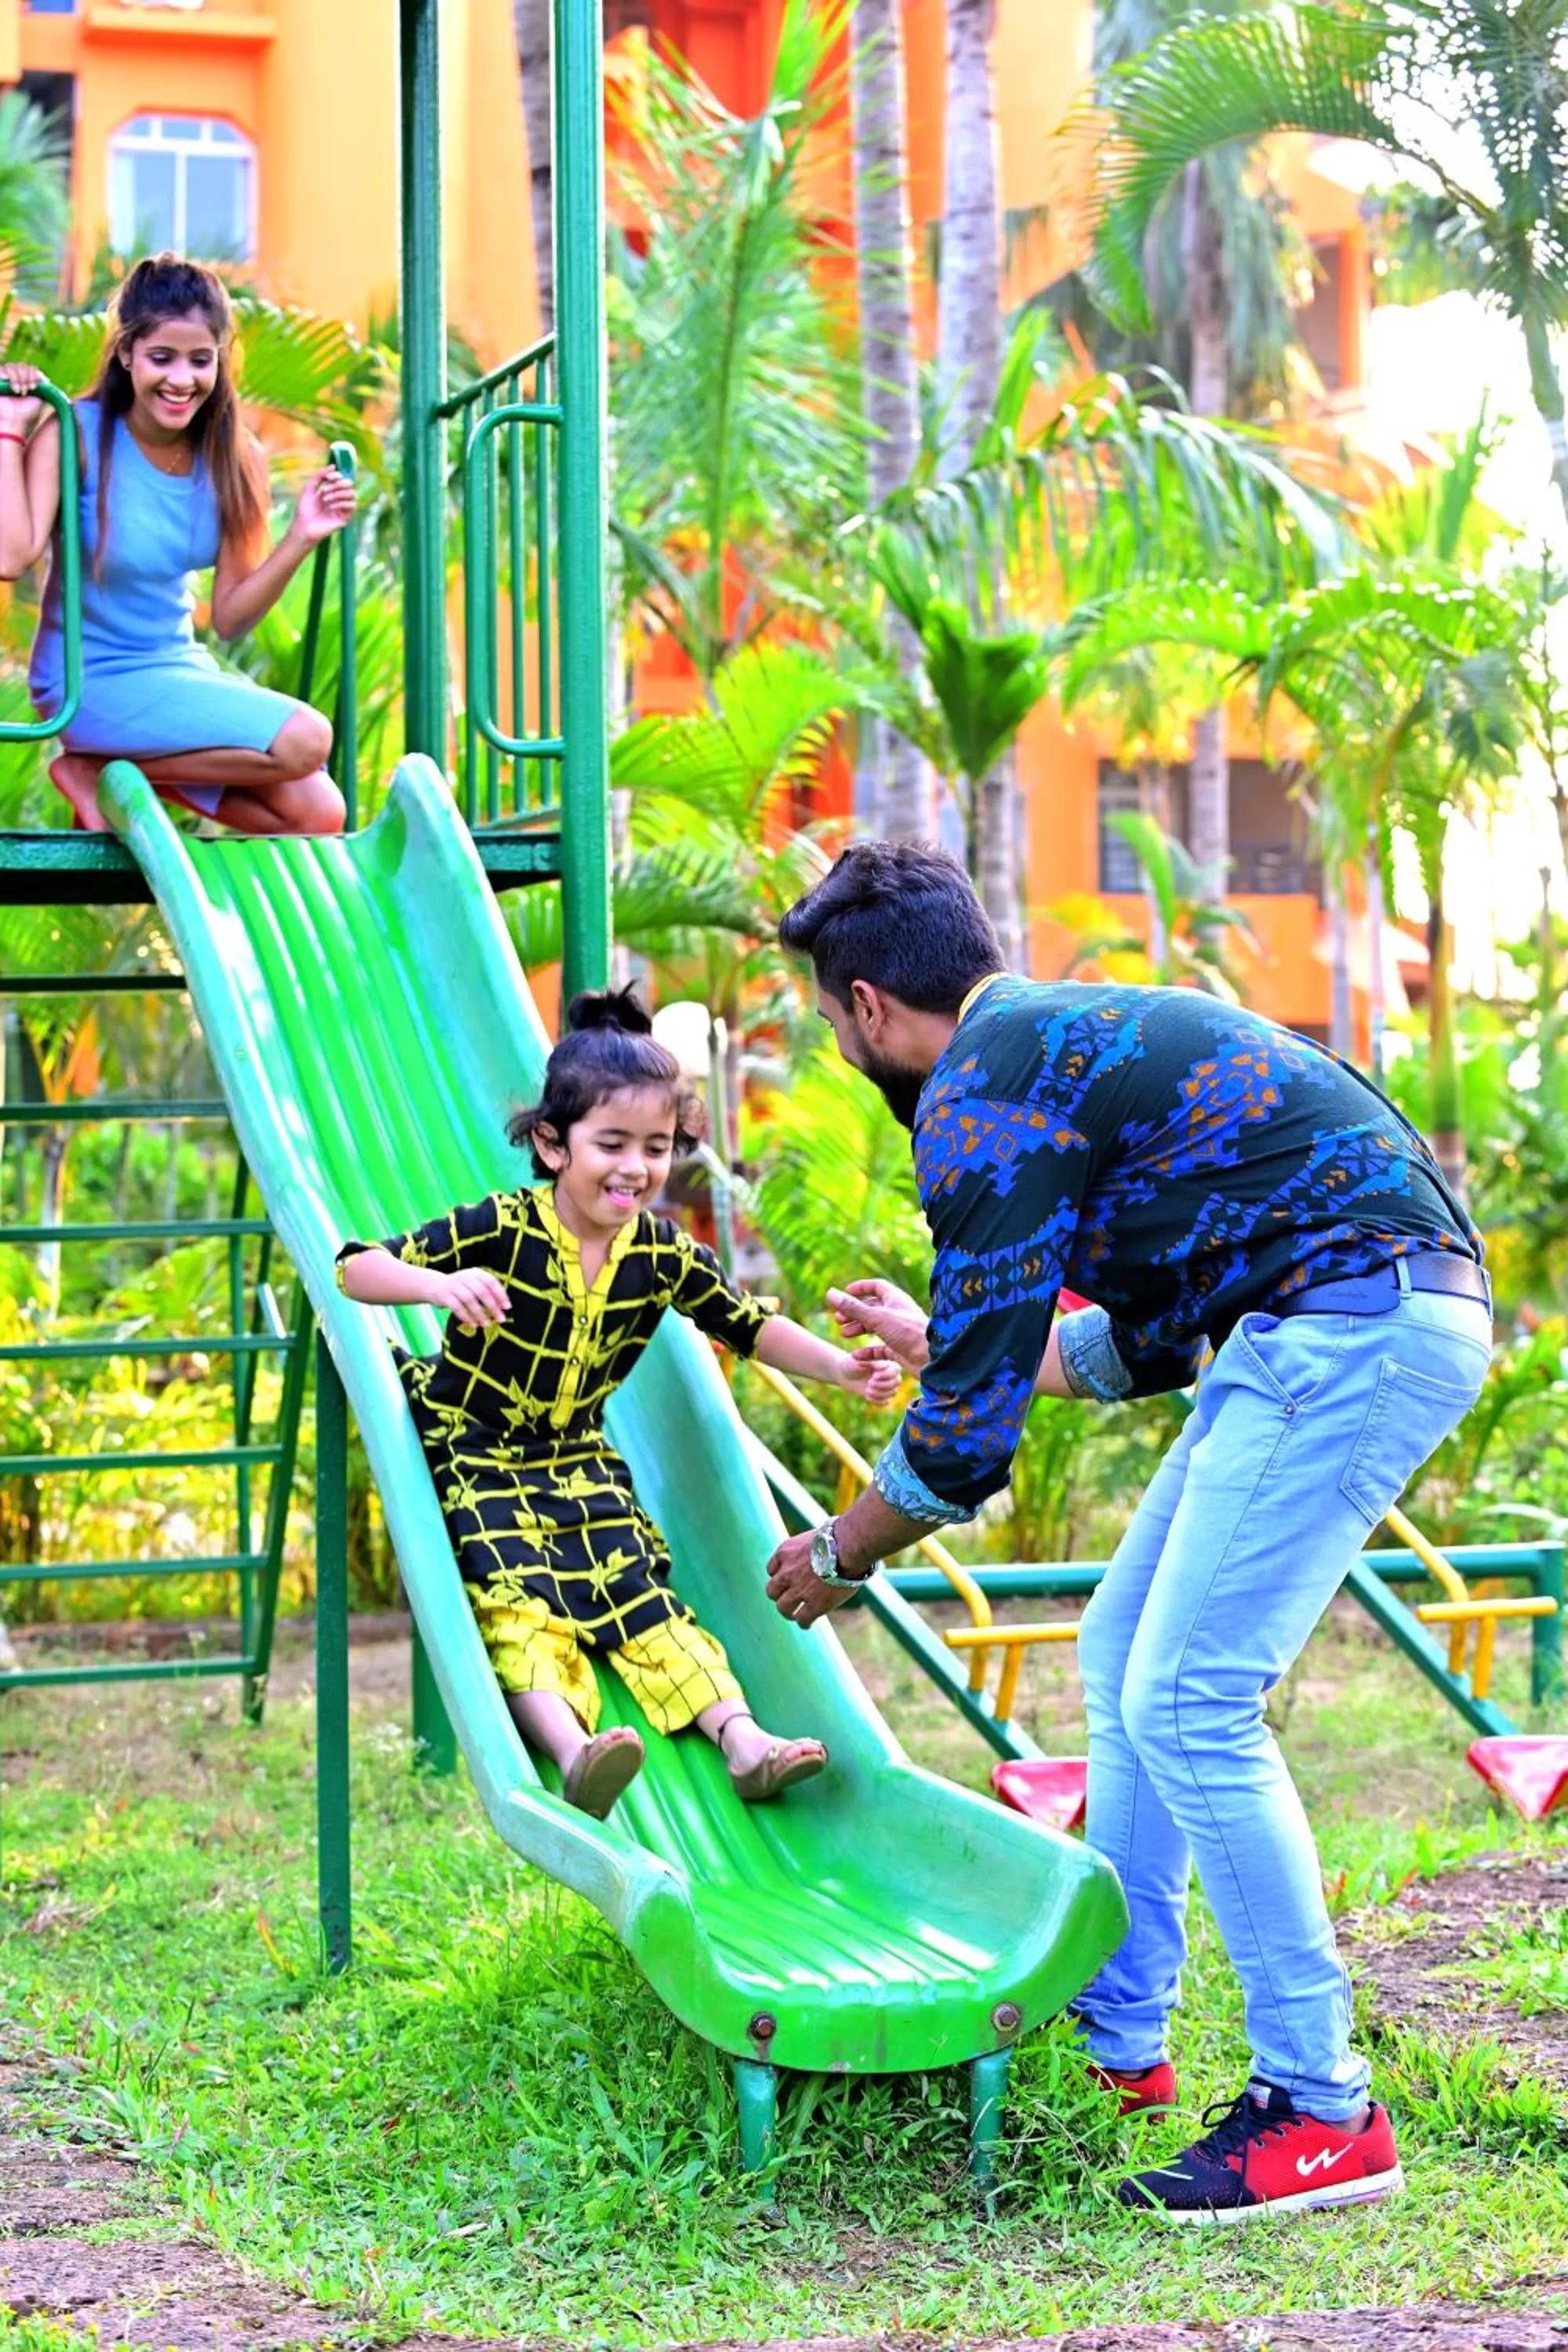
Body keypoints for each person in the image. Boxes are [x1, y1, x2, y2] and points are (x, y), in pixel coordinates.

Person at [765, 840, 1493, 2225]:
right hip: (1330, 1316)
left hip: (1348, 1325)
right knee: (1124, 1658)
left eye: (829, 1018)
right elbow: (1119, 1343)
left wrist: (837, 1552)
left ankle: (1324, 2109)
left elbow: (964, 1442)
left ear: (866, 1007)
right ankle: (1121, 2040)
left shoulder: (980, 1090)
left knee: (1191, 1695)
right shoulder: (1063, 1045)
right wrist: (949, 1340)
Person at [339, 986, 901, 1821]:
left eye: (656, 1146)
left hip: (574, 1456)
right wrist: (437, 1283)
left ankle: (743, 1743)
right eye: (611, 1144)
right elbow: (356, 1268)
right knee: (514, 1593)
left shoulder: (662, 1253)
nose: (635, 1167)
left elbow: (749, 1327)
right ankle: (573, 1753)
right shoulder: (503, 1226)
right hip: (476, 1445)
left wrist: (842, 1369)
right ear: (551, 1145)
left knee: (644, 1596)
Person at [0, 252, 354, 837]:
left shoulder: (235, 458)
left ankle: (100, 772)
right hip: (89, 680)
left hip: (174, 667)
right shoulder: (78, 434)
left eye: (200, 360)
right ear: (126, 354)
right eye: (161, 358)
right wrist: (10, 427)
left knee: (318, 814)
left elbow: (234, 618)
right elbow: (11, 556)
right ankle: (99, 765)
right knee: (307, 738)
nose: (181, 379)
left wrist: (301, 536)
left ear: (219, 361)